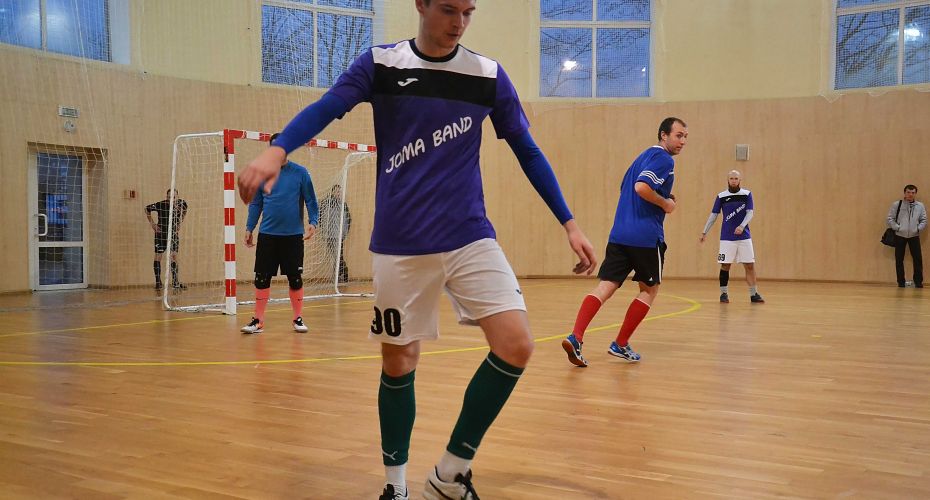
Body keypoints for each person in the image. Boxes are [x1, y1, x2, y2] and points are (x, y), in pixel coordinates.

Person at [237, 1, 597, 497]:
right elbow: (327, 106)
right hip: (400, 243)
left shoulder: (488, 75)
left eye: (468, 12)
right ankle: (396, 486)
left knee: (516, 344)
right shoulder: (380, 64)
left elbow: (527, 150)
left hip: (470, 235)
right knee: (399, 362)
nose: (459, 23)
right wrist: (279, 149)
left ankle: (450, 474)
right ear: (421, 5)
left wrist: (569, 223)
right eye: (448, 9)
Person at [561, 117, 687, 368]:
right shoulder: (665, 159)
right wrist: (666, 203)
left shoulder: (640, 158)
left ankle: (576, 337)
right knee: (649, 290)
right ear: (663, 135)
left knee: (605, 287)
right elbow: (642, 187)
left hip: (619, 234)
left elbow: (629, 188)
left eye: (685, 137)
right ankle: (620, 343)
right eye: (678, 135)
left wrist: (661, 196)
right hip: (645, 238)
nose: (683, 141)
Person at [240, 133, 319, 334]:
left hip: (293, 236)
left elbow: (311, 200)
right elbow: (256, 204)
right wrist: (249, 228)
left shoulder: (301, 173)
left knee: (295, 278)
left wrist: (313, 222)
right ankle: (258, 320)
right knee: (262, 277)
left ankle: (297, 318)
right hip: (268, 235)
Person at [699, 170, 764, 303]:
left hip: (744, 237)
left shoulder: (747, 194)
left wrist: (742, 226)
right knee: (725, 265)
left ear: (740, 180)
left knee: (750, 265)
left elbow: (750, 213)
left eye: (736, 178)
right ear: (728, 180)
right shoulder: (721, 196)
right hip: (727, 238)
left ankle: (754, 294)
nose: (734, 181)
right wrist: (705, 232)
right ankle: (723, 294)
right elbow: (714, 215)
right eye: (731, 178)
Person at [145, 189, 188, 290]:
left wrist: (180, 222)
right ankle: (158, 282)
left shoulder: (182, 203)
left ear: (177, 197)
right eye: (169, 197)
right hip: (161, 234)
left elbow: (185, 210)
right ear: (166, 197)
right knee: (158, 256)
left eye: (173, 197)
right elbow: (146, 209)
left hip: (173, 234)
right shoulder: (161, 204)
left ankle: (175, 282)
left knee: (174, 256)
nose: (171, 199)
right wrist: (153, 224)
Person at [887, 184, 926, 288]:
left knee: (917, 259)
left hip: (914, 236)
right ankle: (901, 282)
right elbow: (890, 218)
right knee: (899, 259)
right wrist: (897, 227)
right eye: (908, 192)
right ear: (904, 193)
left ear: (915, 193)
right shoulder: (897, 204)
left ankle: (918, 282)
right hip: (900, 235)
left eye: (913, 192)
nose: (910, 194)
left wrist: (918, 228)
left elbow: (923, 219)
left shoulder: (920, 206)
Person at [319, 184, 352, 283]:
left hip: (339, 235)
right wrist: (323, 230)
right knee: (335, 256)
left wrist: (345, 232)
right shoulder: (325, 203)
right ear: (332, 192)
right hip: (329, 235)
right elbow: (320, 218)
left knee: (338, 256)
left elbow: (348, 219)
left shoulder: (343, 205)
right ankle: (342, 273)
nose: (339, 193)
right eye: (337, 191)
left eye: (340, 192)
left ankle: (340, 275)